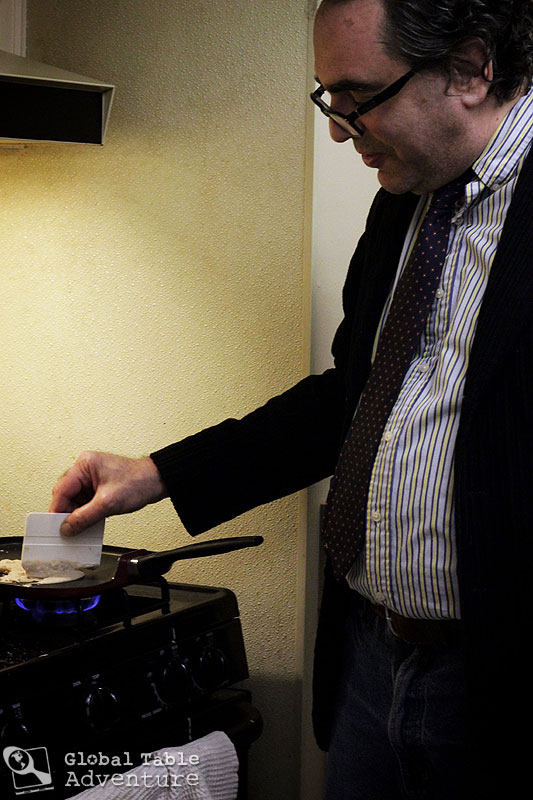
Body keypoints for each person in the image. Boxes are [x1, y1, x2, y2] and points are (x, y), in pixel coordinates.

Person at [50, 1, 533, 797]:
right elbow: (352, 398)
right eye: (327, 97)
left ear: (470, 69)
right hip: (369, 658)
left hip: (498, 688)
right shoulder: (406, 197)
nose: (339, 129)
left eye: (358, 95)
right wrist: (156, 473)